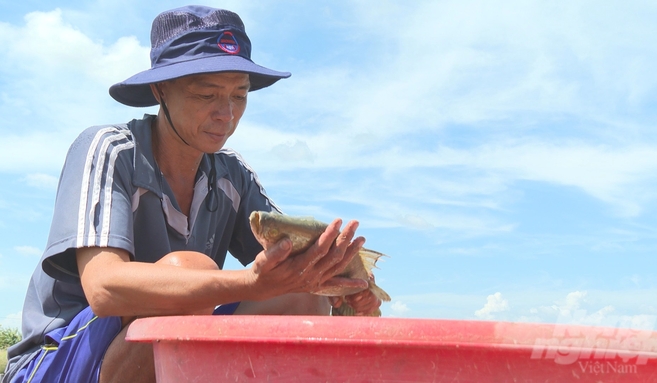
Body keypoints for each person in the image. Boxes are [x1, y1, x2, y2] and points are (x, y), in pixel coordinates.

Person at [3, 5, 381, 383]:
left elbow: (289, 270)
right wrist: (250, 283)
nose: (226, 114)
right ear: (160, 90)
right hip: (60, 359)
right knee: (192, 273)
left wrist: (344, 290)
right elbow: (103, 288)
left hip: (163, 354)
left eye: (239, 95)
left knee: (302, 296)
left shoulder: (233, 174)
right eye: (206, 95)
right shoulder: (110, 150)